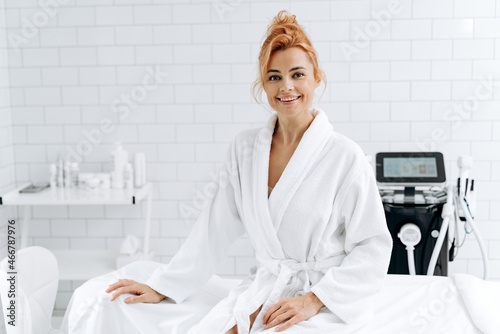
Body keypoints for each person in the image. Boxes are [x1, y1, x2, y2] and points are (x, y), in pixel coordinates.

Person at [105, 10, 393, 334]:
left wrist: (314, 299)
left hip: (323, 299)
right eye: (274, 76)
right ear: (263, 85)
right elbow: (212, 230)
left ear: (317, 78)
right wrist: (164, 286)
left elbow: (373, 246)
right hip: (267, 287)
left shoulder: (345, 157)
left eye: (297, 74)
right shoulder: (245, 151)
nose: (286, 87)